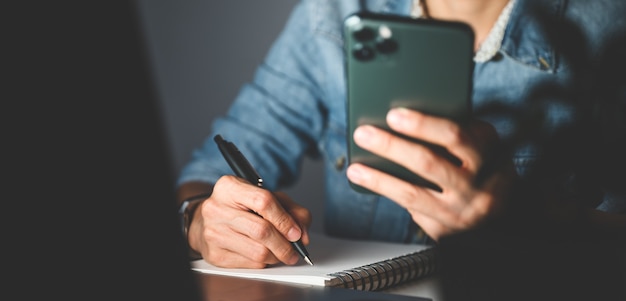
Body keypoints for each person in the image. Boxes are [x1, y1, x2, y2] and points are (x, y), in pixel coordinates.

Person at [176, 0, 626, 269]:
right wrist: (199, 221)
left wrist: (529, 221)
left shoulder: (610, 36)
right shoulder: (334, 15)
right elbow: (203, 176)